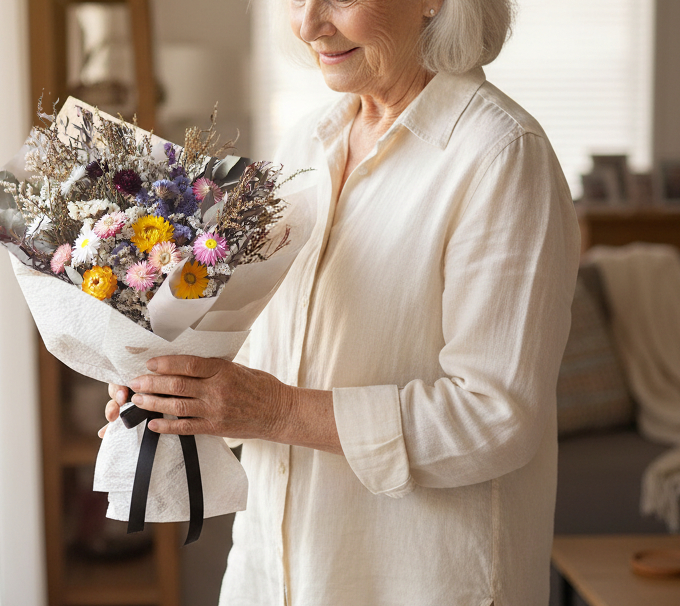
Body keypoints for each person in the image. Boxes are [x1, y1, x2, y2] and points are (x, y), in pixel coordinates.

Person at [99, 0, 580, 603]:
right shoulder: (306, 143)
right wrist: (178, 390)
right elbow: (271, 361)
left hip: (417, 582)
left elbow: (496, 417)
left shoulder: (501, 155)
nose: (308, 25)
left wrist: (273, 411)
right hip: (270, 576)